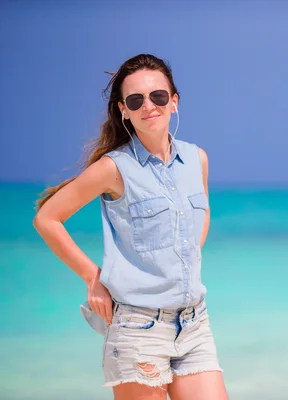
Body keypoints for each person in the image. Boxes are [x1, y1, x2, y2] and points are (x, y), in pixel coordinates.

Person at [33, 53, 229, 400]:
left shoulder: (196, 159)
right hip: (139, 329)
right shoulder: (114, 168)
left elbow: (204, 212)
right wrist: (93, 278)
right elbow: (47, 218)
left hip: (195, 323)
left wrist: (183, 258)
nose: (149, 106)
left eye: (158, 96)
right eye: (136, 100)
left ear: (174, 101)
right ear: (124, 109)